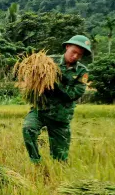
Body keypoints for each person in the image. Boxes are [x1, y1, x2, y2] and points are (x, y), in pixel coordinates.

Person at [22, 35, 91, 164]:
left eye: (79, 55)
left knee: (60, 159)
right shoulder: (48, 62)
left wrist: (55, 84)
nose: (75, 56)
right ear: (67, 47)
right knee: (28, 128)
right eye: (74, 52)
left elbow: (75, 93)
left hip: (61, 116)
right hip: (41, 110)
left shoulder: (82, 71)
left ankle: (57, 175)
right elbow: (32, 74)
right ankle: (36, 162)